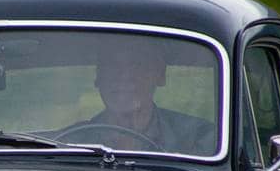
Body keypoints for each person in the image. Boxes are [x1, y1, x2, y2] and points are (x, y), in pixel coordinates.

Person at [87, 40, 215, 153]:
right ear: (98, 77)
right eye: (112, 65)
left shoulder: (198, 137)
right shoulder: (71, 142)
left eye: (137, 65)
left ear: (160, 75)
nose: (124, 76)